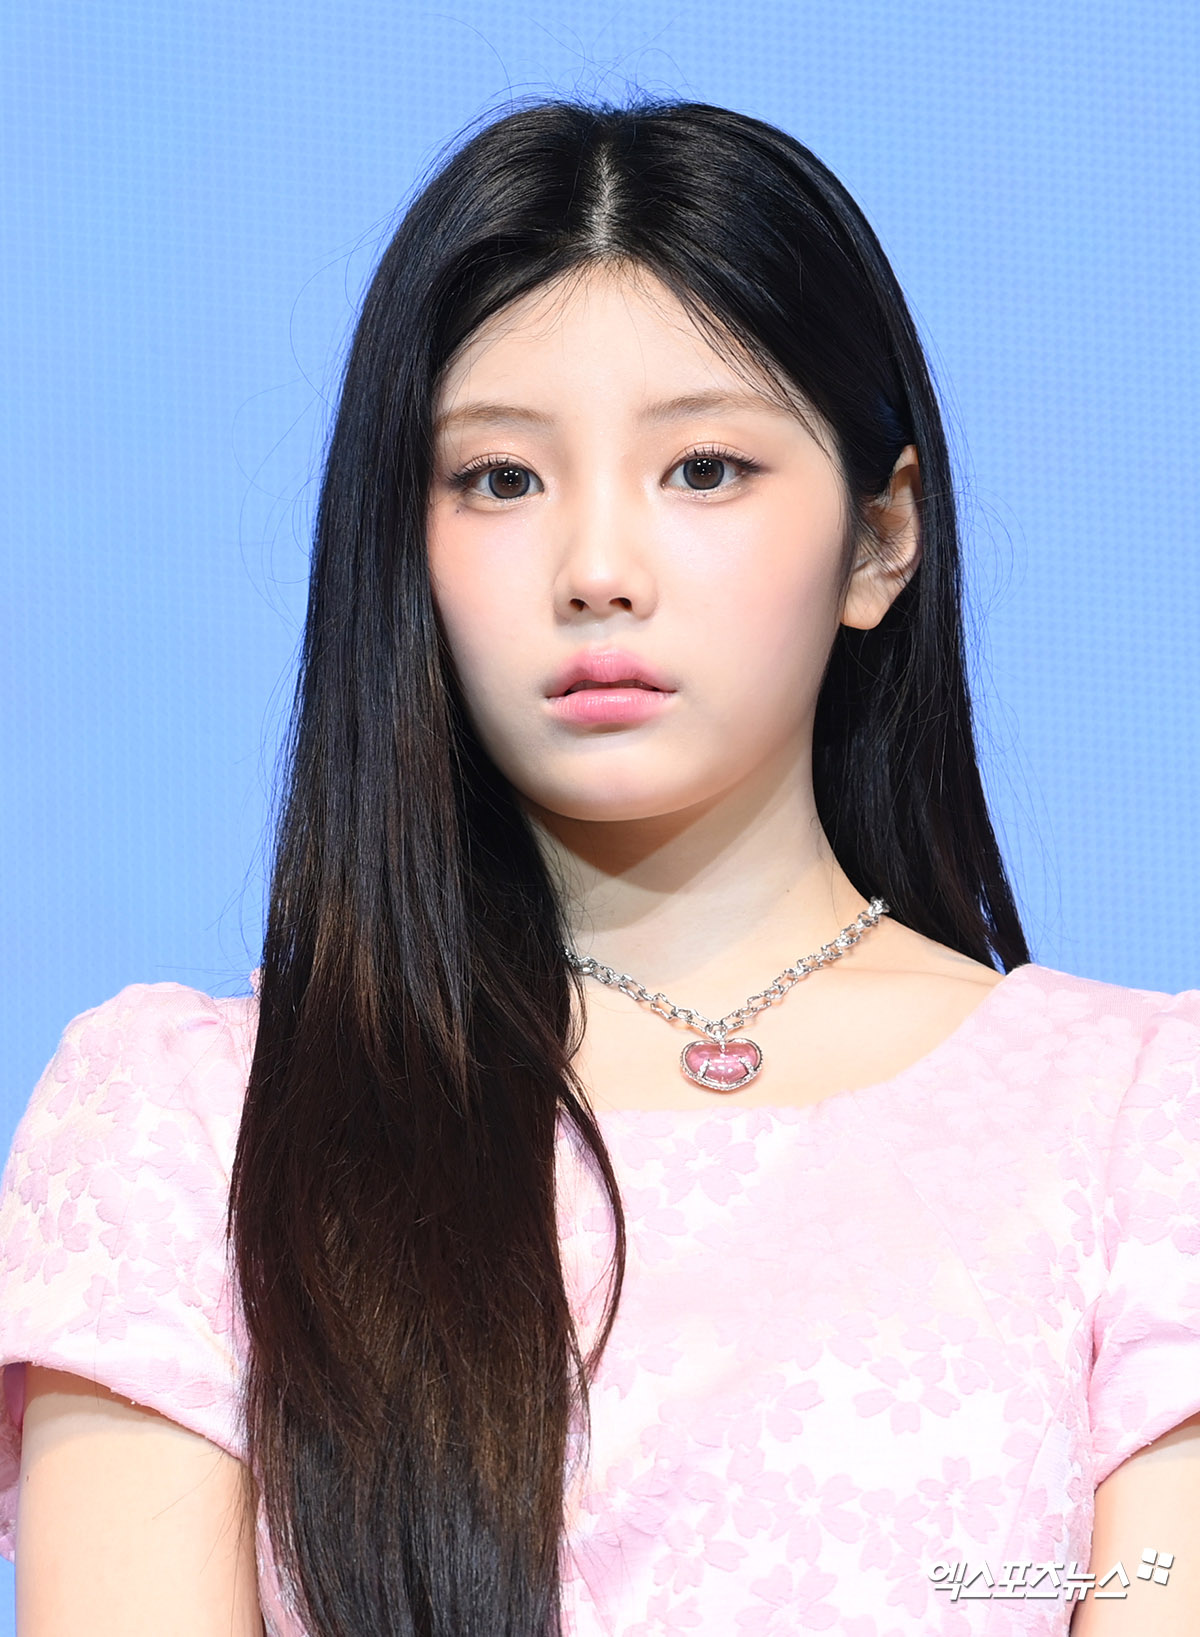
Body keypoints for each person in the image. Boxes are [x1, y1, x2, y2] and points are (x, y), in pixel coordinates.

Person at [1, 97, 1198, 1637]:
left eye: (703, 467)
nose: (599, 569)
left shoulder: (1136, 1125)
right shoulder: (189, 1128)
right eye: (502, 479)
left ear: (880, 537)